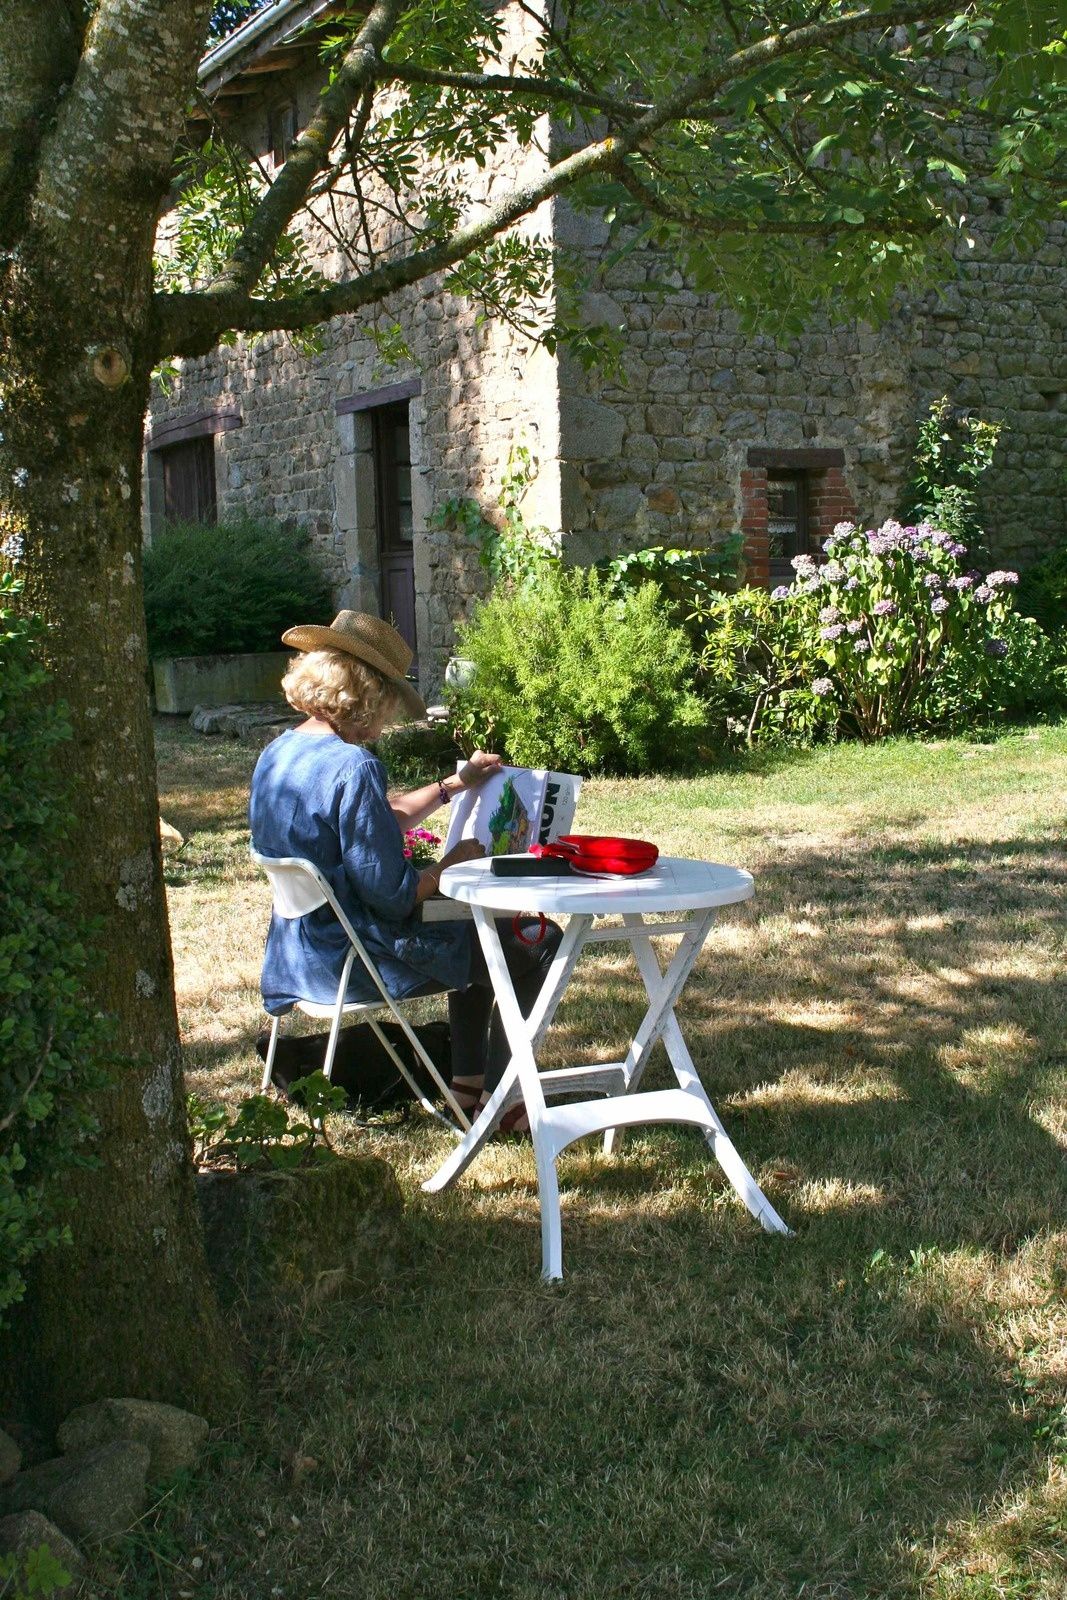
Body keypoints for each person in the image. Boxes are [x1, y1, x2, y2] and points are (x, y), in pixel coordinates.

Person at [249, 609, 561, 1131]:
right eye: (390, 701)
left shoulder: (279, 753)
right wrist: (449, 864)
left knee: (475, 928)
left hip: (299, 953)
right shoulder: (354, 766)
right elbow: (393, 895)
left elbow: (379, 819)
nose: (391, 717)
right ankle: (504, 1101)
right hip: (353, 962)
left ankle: (467, 1087)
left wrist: (455, 785)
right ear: (367, 693)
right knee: (536, 941)